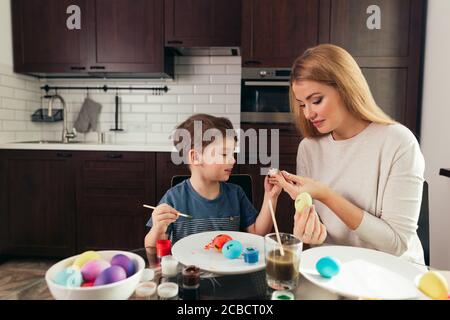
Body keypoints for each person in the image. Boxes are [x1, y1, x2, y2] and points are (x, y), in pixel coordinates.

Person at [271, 44, 425, 264]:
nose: (308, 113)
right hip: (335, 270)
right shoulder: (309, 148)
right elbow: (318, 236)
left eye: (316, 101)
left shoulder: (399, 142)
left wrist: (326, 195)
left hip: (393, 273)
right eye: (302, 104)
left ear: (346, 87)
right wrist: (306, 232)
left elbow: (397, 244)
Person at [144, 114, 282, 247]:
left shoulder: (236, 194)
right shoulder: (173, 198)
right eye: (223, 154)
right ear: (195, 157)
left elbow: (257, 234)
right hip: (188, 270)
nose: (233, 160)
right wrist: (158, 228)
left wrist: (271, 196)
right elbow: (151, 247)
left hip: (227, 270)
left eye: (232, 153)